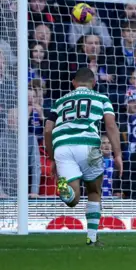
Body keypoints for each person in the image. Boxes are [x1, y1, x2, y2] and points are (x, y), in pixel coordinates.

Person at [43, 68, 123, 246]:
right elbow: (110, 125)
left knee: (73, 199)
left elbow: (48, 129)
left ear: (73, 83)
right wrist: (117, 154)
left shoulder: (59, 101)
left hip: (62, 146)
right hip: (88, 144)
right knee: (94, 191)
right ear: (94, 83)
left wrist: (51, 158)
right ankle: (92, 238)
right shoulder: (101, 99)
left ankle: (64, 188)